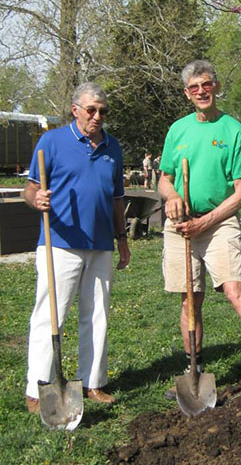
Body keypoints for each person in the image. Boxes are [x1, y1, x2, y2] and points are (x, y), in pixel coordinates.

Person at [158, 60, 241, 406]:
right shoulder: (178, 131)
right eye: (193, 87)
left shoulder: (232, 130)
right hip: (181, 224)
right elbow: (165, 176)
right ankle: (193, 371)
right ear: (187, 94)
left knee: (235, 289)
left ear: (215, 87)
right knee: (190, 297)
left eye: (206, 84)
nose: (201, 91)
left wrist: (207, 221)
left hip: (219, 222)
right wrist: (171, 197)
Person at [23, 82, 131, 414]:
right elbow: (30, 189)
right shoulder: (52, 142)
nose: (98, 116)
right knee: (50, 316)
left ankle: (92, 382)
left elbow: (117, 198)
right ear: (75, 110)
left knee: (97, 314)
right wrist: (36, 199)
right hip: (61, 242)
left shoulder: (112, 147)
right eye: (91, 110)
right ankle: (38, 387)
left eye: (103, 111)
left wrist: (122, 239)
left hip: (100, 244)